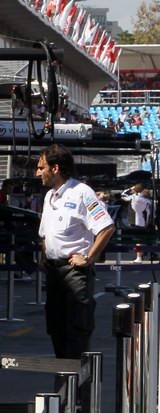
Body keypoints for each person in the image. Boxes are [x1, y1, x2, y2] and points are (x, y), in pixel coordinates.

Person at [36, 145, 115, 358]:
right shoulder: (49, 197)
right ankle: (63, 387)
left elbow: (106, 227)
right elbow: (45, 233)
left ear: (55, 168)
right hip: (54, 272)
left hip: (74, 273)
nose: (37, 173)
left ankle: (77, 388)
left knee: (76, 331)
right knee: (55, 329)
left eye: (41, 167)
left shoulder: (81, 193)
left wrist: (88, 257)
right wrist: (45, 255)